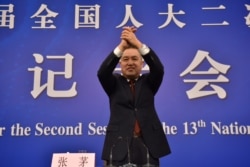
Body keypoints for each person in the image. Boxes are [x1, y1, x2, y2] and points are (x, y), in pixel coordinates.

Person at [97, 26, 171, 166]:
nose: (130, 63)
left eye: (134, 59)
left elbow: (158, 68)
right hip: (118, 144)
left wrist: (137, 43)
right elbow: (102, 72)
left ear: (142, 64)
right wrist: (122, 46)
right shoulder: (113, 83)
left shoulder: (149, 82)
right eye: (125, 59)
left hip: (148, 143)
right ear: (120, 63)